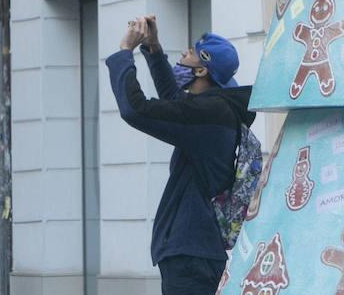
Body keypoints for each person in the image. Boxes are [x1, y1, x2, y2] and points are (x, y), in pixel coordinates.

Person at [106, 17, 255, 295]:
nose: (182, 56)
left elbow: (135, 109)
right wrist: (153, 48)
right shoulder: (215, 111)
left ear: (200, 70)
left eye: (189, 53)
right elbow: (174, 101)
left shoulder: (210, 114)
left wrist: (124, 52)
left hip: (190, 256)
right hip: (197, 250)